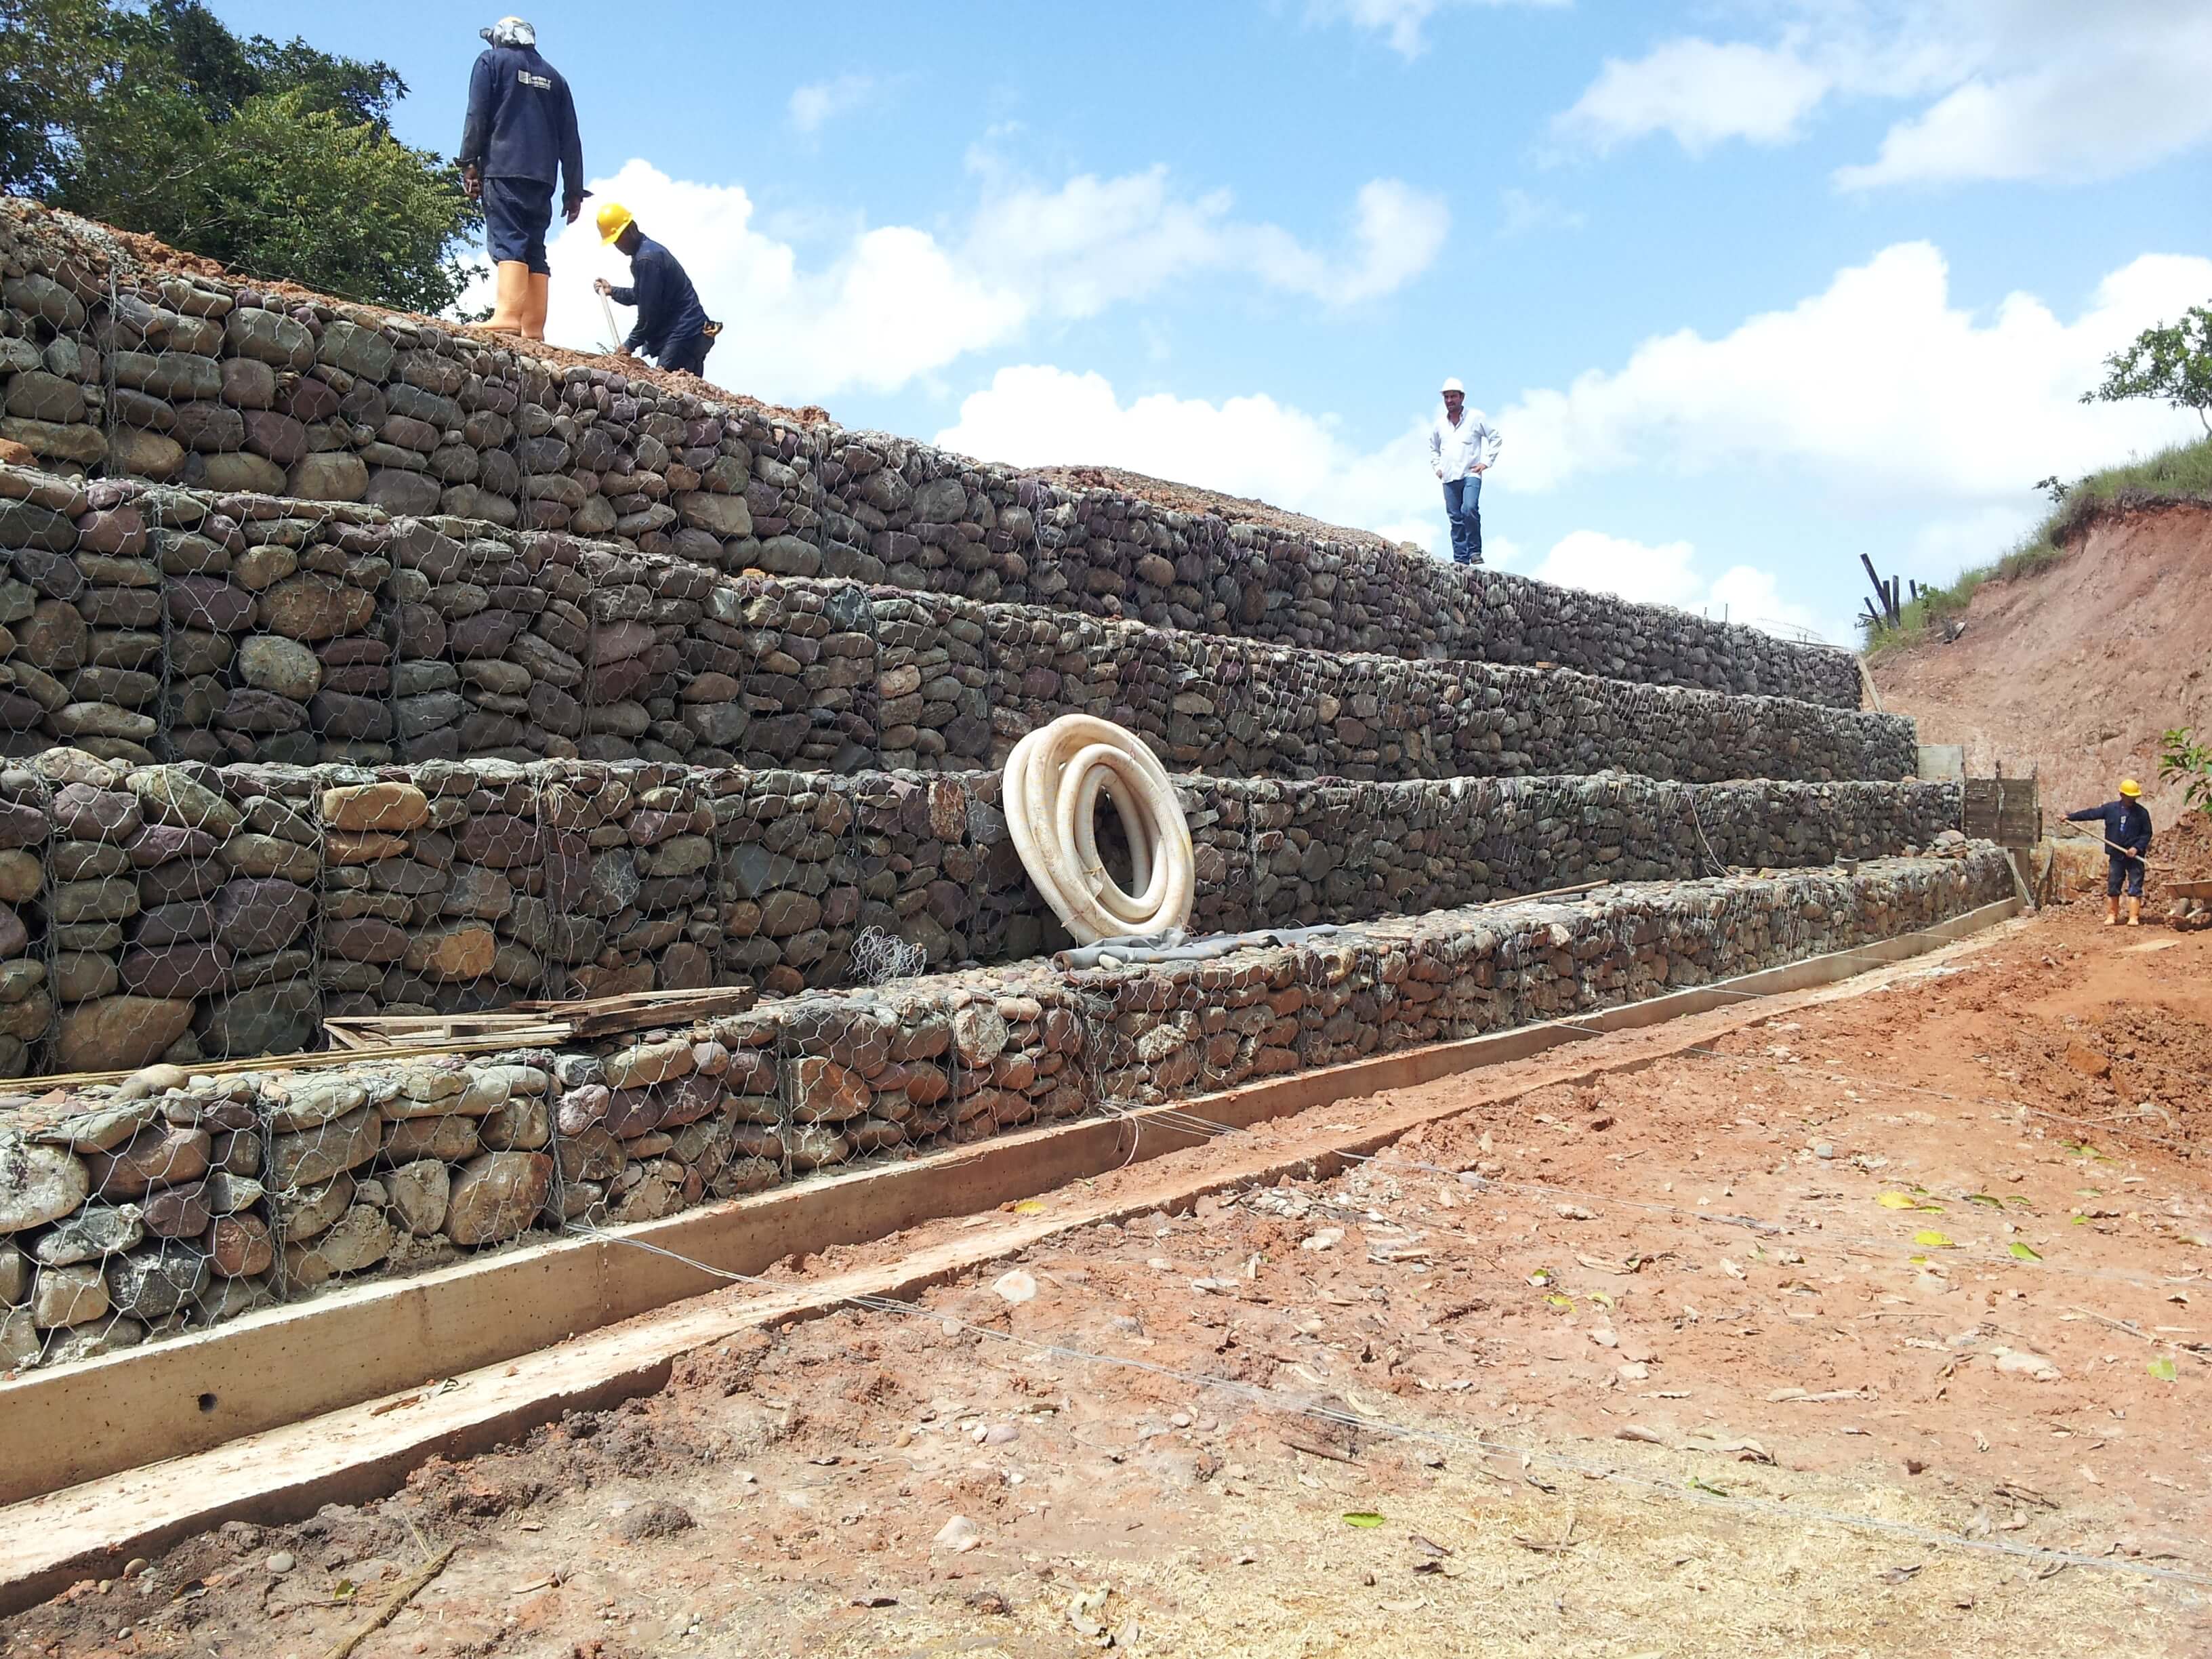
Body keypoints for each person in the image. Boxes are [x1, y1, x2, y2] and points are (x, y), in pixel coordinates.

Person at [457, 18, 584, 341]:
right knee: (534, 247)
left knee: (509, 239)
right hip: (543, 179)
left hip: (504, 167)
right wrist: (573, 192)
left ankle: (508, 317)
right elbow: (571, 139)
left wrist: (469, 164)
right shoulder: (557, 79)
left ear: (500, 39)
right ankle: (533, 328)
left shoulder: (491, 62)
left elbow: (477, 115)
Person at [592, 205, 716, 377]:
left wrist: (629, 344)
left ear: (632, 229)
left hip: (684, 333)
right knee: (682, 392)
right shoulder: (647, 253)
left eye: (619, 239)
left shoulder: (647, 259)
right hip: (693, 333)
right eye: (614, 242)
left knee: (666, 387)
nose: (618, 246)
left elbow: (649, 315)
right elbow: (644, 295)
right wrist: (613, 291)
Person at [1429, 377, 1501, 566]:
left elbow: (1495, 437)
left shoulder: (1476, 418)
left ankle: (1475, 551)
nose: (1450, 400)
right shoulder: (1439, 425)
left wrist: (1486, 462)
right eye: (1446, 397)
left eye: (1453, 396)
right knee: (1455, 518)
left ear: (1462, 397)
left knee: (1469, 508)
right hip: (1449, 476)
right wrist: (1438, 468)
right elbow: (1433, 448)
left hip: (1471, 474)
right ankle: (1461, 560)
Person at [2066, 779, 2153, 926]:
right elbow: (2091, 814)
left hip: (2135, 857)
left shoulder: (2141, 813)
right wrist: (2070, 817)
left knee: (2135, 885)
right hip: (2116, 855)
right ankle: (2112, 915)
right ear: (2121, 794)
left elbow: (2147, 834)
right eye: (2129, 796)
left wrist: (2136, 848)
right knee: (2113, 884)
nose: (2131, 799)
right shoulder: (2110, 809)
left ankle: (2133, 917)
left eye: (2134, 797)